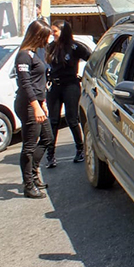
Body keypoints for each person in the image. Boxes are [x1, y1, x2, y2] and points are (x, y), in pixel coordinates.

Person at [14, 19, 53, 199]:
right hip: (28, 105)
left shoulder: (34, 54)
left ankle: (34, 172)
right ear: (38, 36)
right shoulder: (23, 55)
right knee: (29, 146)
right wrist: (36, 106)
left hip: (38, 103)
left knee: (47, 138)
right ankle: (28, 185)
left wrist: (43, 101)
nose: (48, 40)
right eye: (46, 36)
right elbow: (26, 84)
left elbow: (39, 82)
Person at [45, 21, 92, 168]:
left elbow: (92, 59)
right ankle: (50, 155)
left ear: (63, 31)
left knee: (72, 119)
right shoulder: (51, 47)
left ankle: (80, 149)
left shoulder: (74, 46)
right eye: (51, 31)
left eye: (55, 31)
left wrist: (85, 77)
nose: (52, 34)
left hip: (70, 86)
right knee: (53, 121)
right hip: (55, 86)